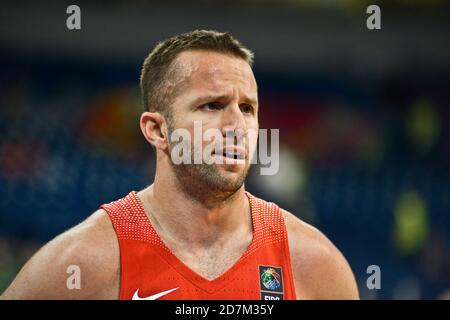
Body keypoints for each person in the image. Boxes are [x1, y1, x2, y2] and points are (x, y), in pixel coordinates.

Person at [1, 30, 359, 300]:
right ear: (157, 129)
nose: (236, 126)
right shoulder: (86, 261)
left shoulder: (313, 264)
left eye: (247, 108)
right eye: (212, 106)